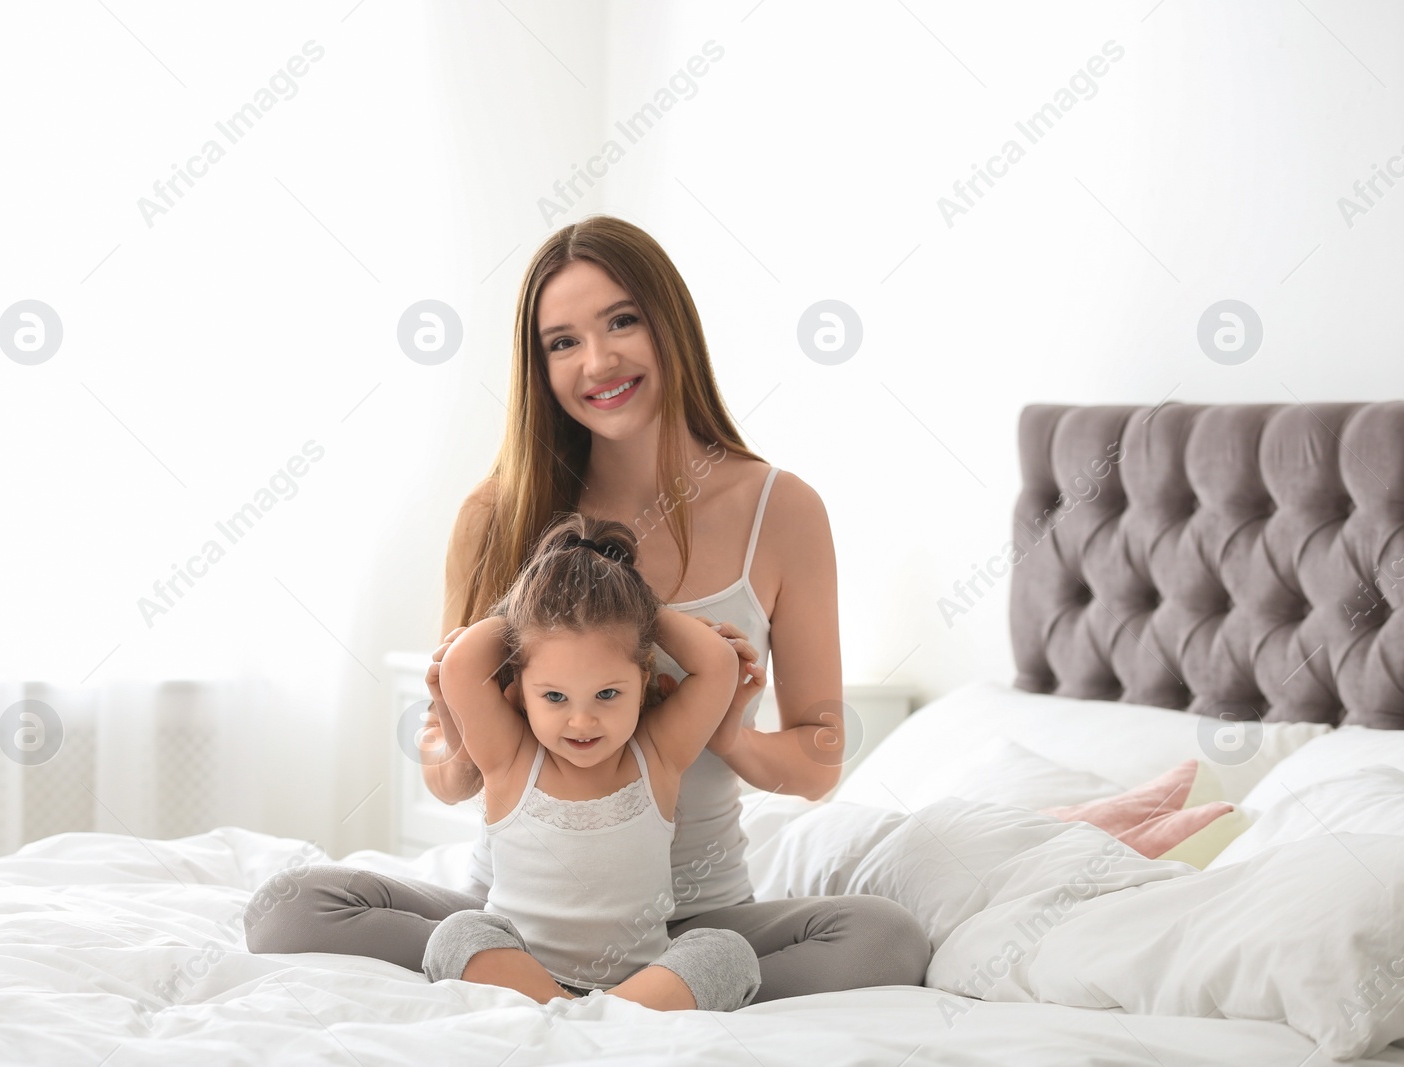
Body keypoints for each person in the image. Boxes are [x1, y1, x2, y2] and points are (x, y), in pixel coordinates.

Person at [244, 215, 931, 1000]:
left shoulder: (783, 509)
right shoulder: (495, 514)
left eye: (622, 321)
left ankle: (615, 994)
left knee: (888, 939)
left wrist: (730, 731)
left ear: (670, 323)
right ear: (538, 365)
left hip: (697, 916)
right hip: (517, 915)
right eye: (562, 341)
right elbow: (446, 774)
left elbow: (819, 759)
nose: (597, 361)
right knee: (287, 906)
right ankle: (581, 997)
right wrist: (460, 732)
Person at [422, 514, 763, 1011]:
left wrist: (631, 605)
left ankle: (587, 1015)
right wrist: (541, 601)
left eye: (607, 693)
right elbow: (461, 664)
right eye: (555, 696)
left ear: (643, 680)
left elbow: (717, 663)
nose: (582, 721)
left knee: (728, 953)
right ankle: (597, 1015)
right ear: (520, 690)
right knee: (459, 933)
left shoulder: (656, 757)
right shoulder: (511, 760)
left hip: (642, 975)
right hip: (524, 966)